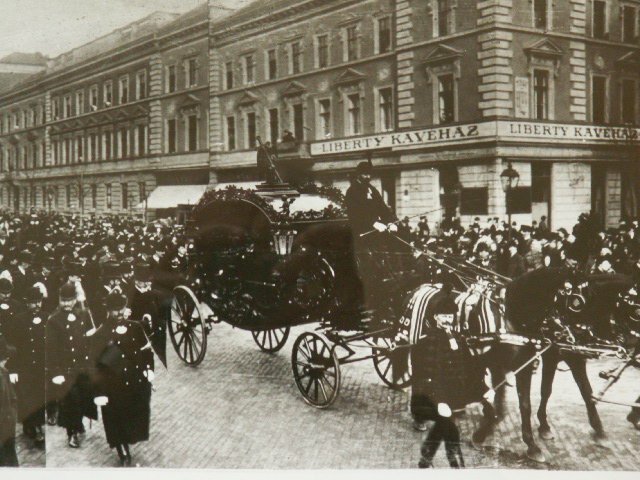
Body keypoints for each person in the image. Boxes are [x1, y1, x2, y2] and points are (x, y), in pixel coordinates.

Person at [410, 291, 485, 468]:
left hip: (455, 394)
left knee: (445, 425)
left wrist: (484, 389)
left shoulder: (458, 338)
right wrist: (440, 400)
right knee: (448, 426)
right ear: (436, 317)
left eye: (450, 316)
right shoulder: (428, 341)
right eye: (443, 316)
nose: (447, 320)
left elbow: (470, 367)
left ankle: (427, 457)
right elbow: (428, 374)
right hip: (436, 396)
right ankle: (454, 461)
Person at [93, 291, 154, 467]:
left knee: (132, 415)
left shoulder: (135, 327)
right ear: (108, 310)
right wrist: (99, 392)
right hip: (112, 385)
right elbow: (96, 367)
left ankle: (128, 440)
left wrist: (149, 370)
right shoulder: (101, 334)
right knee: (115, 418)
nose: (119, 313)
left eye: (121, 308)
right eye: (115, 309)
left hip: (134, 380)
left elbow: (146, 351)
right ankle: (122, 450)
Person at [45, 282, 97, 448]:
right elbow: (51, 350)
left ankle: (78, 423)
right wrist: (55, 373)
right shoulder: (53, 320)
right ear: (59, 300)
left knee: (83, 398)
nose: (66, 304)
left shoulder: (83, 314)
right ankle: (71, 432)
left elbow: (91, 340)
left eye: (69, 300)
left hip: (82, 367)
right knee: (70, 401)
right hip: (65, 369)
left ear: (75, 299)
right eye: (63, 300)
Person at [7, 287, 47, 446]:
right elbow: (12, 346)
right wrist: (13, 369)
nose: (37, 305)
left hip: (41, 366)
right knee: (27, 397)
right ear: (27, 303)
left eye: (39, 302)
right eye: (33, 302)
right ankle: (34, 427)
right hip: (25, 366)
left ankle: (35, 425)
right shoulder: (18, 320)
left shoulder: (46, 318)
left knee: (39, 397)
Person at [0, 335, 18, 466]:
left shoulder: (4, 373)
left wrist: (11, 415)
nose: (7, 360)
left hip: (7, 425)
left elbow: (12, 399)